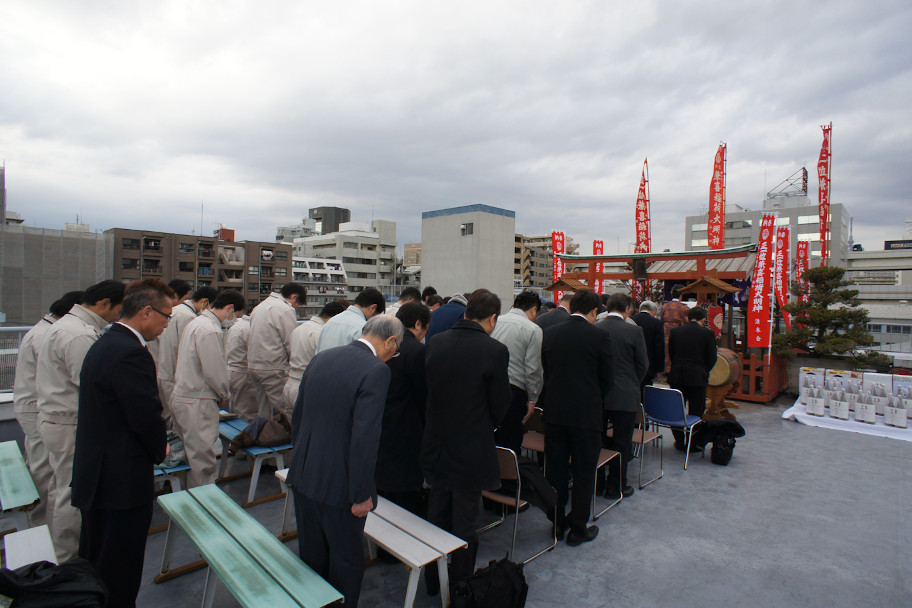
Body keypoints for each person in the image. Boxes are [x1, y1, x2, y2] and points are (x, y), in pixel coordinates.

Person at [287, 315, 403, 607]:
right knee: (346, 563)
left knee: (312, 558)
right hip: (341, 486)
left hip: (304, 474)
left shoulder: (322, 358)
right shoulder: (376, 370)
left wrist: (300, 464)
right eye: (396, 349)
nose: (393, 355)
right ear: (390, 341)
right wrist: (362, 494)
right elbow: (365, 438)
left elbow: (298, 417)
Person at [72, 279, 172, 608]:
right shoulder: (131, 352)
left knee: (97, 561)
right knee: (120, 568)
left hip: (97, 474)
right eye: (165, 316)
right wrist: (161, 448)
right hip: (120, 481)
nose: (166, 324)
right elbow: (143, 415)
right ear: (146, 312)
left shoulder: (104, 343)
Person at [422, 289, 511, 590]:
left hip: (436, 442)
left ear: (465, 312)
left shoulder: (436, 341)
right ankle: (461, 587)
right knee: (464, 522)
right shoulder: (494, 350)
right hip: (471, 446)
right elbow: (500, 404)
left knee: (437, 514)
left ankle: (433, 581)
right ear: (492, 318)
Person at [36, 280, 125, 561]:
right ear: (104, 304)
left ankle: (60, 550)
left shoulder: (65, 327)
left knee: (60, 488)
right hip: (69, 423)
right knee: (73, 493)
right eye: (119, 308)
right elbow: (91, 385)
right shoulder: (78, 335)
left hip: (58, 420)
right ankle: (68, 558)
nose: (119, 316)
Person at [540, 289, 611, 547]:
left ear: (570, 307)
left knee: (556, 471)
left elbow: (546, 370)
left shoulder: (550, 333)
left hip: (555, 412)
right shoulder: (600, 336)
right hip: (586, 415)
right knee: (583, 472)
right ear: (594, 311)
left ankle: (557, 524)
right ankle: (578, 529)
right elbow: (607, 378)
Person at [13, 290, 82, 527]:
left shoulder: (43, 330)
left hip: (36, 405)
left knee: (46, 468)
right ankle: (40, 526)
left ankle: (44, 524)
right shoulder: (48, 335)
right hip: (40, 408)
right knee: (44, 471)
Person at [171, 290, 246, 488]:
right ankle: (202, 504)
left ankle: (186, 496)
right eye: (235, 315)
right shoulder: (210, 330)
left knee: (188, 455)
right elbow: (215, 370)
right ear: (230, 308)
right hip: (198, 400)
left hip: (183, 395)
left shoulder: (195, 323)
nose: (233, 320)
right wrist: (224, 393)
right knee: (202, 460)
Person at [375, 302, 430, 515]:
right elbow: (423, 394)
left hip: (380, 422)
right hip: (406, 427)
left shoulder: (383, 343)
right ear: (418, 324)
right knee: (404, 493)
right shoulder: (417, 351)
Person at [595, 293, 648, 499]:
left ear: (607, 307)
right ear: (628, 309)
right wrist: (632, 381)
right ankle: (616, 486)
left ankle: (597, 483)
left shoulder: (595, 328)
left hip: (598, 393)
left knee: (597, 439)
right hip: (625, 393)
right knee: (621, 441)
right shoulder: (634, 331)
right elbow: (643, 364)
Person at [156, 286, 218, 427]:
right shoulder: (189, 318)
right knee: (179, 423)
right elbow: (189, 350)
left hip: (165, 371)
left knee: (169, 419)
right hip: (176, 375)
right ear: (205, 301)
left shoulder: (177, 310)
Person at [490, 290, 543, 455]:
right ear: (533, 309)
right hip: (514, 391)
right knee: (510, 441)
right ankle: (510, 478)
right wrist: (533, 398)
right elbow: (533, 369)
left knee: (491, 438)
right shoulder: (533, 329)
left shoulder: (494, 321)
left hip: (490, 386)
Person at [248, 283, 306, 418]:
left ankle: (264, 437)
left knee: (264, 411)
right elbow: (291, 341)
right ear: (293, 297)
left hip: (254, 365)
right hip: (273, 367)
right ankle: (289, 438)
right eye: (298, 304)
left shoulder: (259, 307)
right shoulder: (284, 309)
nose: (296, 308)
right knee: (285, 409)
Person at [667, 306, 717, 450]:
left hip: (677, 374)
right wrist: (703, 370)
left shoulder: (676, 332)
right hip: (697, 376)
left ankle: (679, 440)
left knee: (676, 410)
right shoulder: (707, 333)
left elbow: (672, 353)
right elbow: (711, 358)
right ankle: (692, 442)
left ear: (688, 317)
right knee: (696, 410)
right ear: (703, 319)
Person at [284, 300, 346, 409]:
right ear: (335, 318)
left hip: (290, 383)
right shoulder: (322, 333)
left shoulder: (299, 328)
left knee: (291, 423)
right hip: (306, 386)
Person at [316, 288, 385, 353]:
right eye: (376, 316)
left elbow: (318, 354)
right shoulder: (363, 328)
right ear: (373, 308)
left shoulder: (330, 322)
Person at [226, 304, 257, 421]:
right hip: (244, 373)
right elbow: (254, 353)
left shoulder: (236, 326)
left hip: (232, 370)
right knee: (247, 412)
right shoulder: (249, 329)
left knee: (235, 407)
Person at [632, 300, 665, 392]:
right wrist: (659, 369)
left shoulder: (631, 319)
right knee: (646, 392)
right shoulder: (657, 323)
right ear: (654, 311)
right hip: (649, 365)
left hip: (632, 363)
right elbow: (659, 347)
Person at [659, 286, 689, 373]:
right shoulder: (684, 308)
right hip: (678, 330)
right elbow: (686, 321)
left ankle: (665, 370)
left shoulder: (664, 306)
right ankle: (675, 370)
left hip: (665, 330)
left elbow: (661, 319)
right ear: (681, 295)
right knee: (677, 349)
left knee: (666, 350)